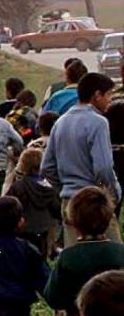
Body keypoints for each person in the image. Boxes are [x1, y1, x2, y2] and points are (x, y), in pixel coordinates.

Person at [43, 72, 122, 246]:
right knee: (113, 262)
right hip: (94, 206)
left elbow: (47, 166)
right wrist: (112, 195)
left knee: (77, 260)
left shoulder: (61, 122)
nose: (110, 100)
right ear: (97, 95)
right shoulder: (98, 122)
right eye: (108, 94)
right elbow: (104, 168)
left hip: (69, 203)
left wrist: (64, 187)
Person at [46, 188, 124, 316]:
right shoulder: (120, 253)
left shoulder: (69, 257)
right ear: (108, 219)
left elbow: (53, 297)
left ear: (74, 223)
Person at [8, 148, 62, 260]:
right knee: (41, 260)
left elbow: (9, 206)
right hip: (45, 229)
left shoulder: (18, 187)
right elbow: (57, 210)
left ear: (23, 165)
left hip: (23, 229)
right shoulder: (49, 188)